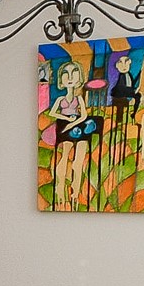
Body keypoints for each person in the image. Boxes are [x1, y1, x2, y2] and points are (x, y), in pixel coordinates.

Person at [48, 59, 100, 207]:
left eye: (74, 73)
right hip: (66, 123)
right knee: (65, 155)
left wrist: (72, 123)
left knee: (79, 161)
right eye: (66, 73)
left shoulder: (79, 99)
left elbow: (83, 116)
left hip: (78, 124)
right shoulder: (60, 99)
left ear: (79, 79)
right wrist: (66, 119)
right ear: (61, 80)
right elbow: (53, 112)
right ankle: (59, 186)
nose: (70, 77)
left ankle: (75, 191)